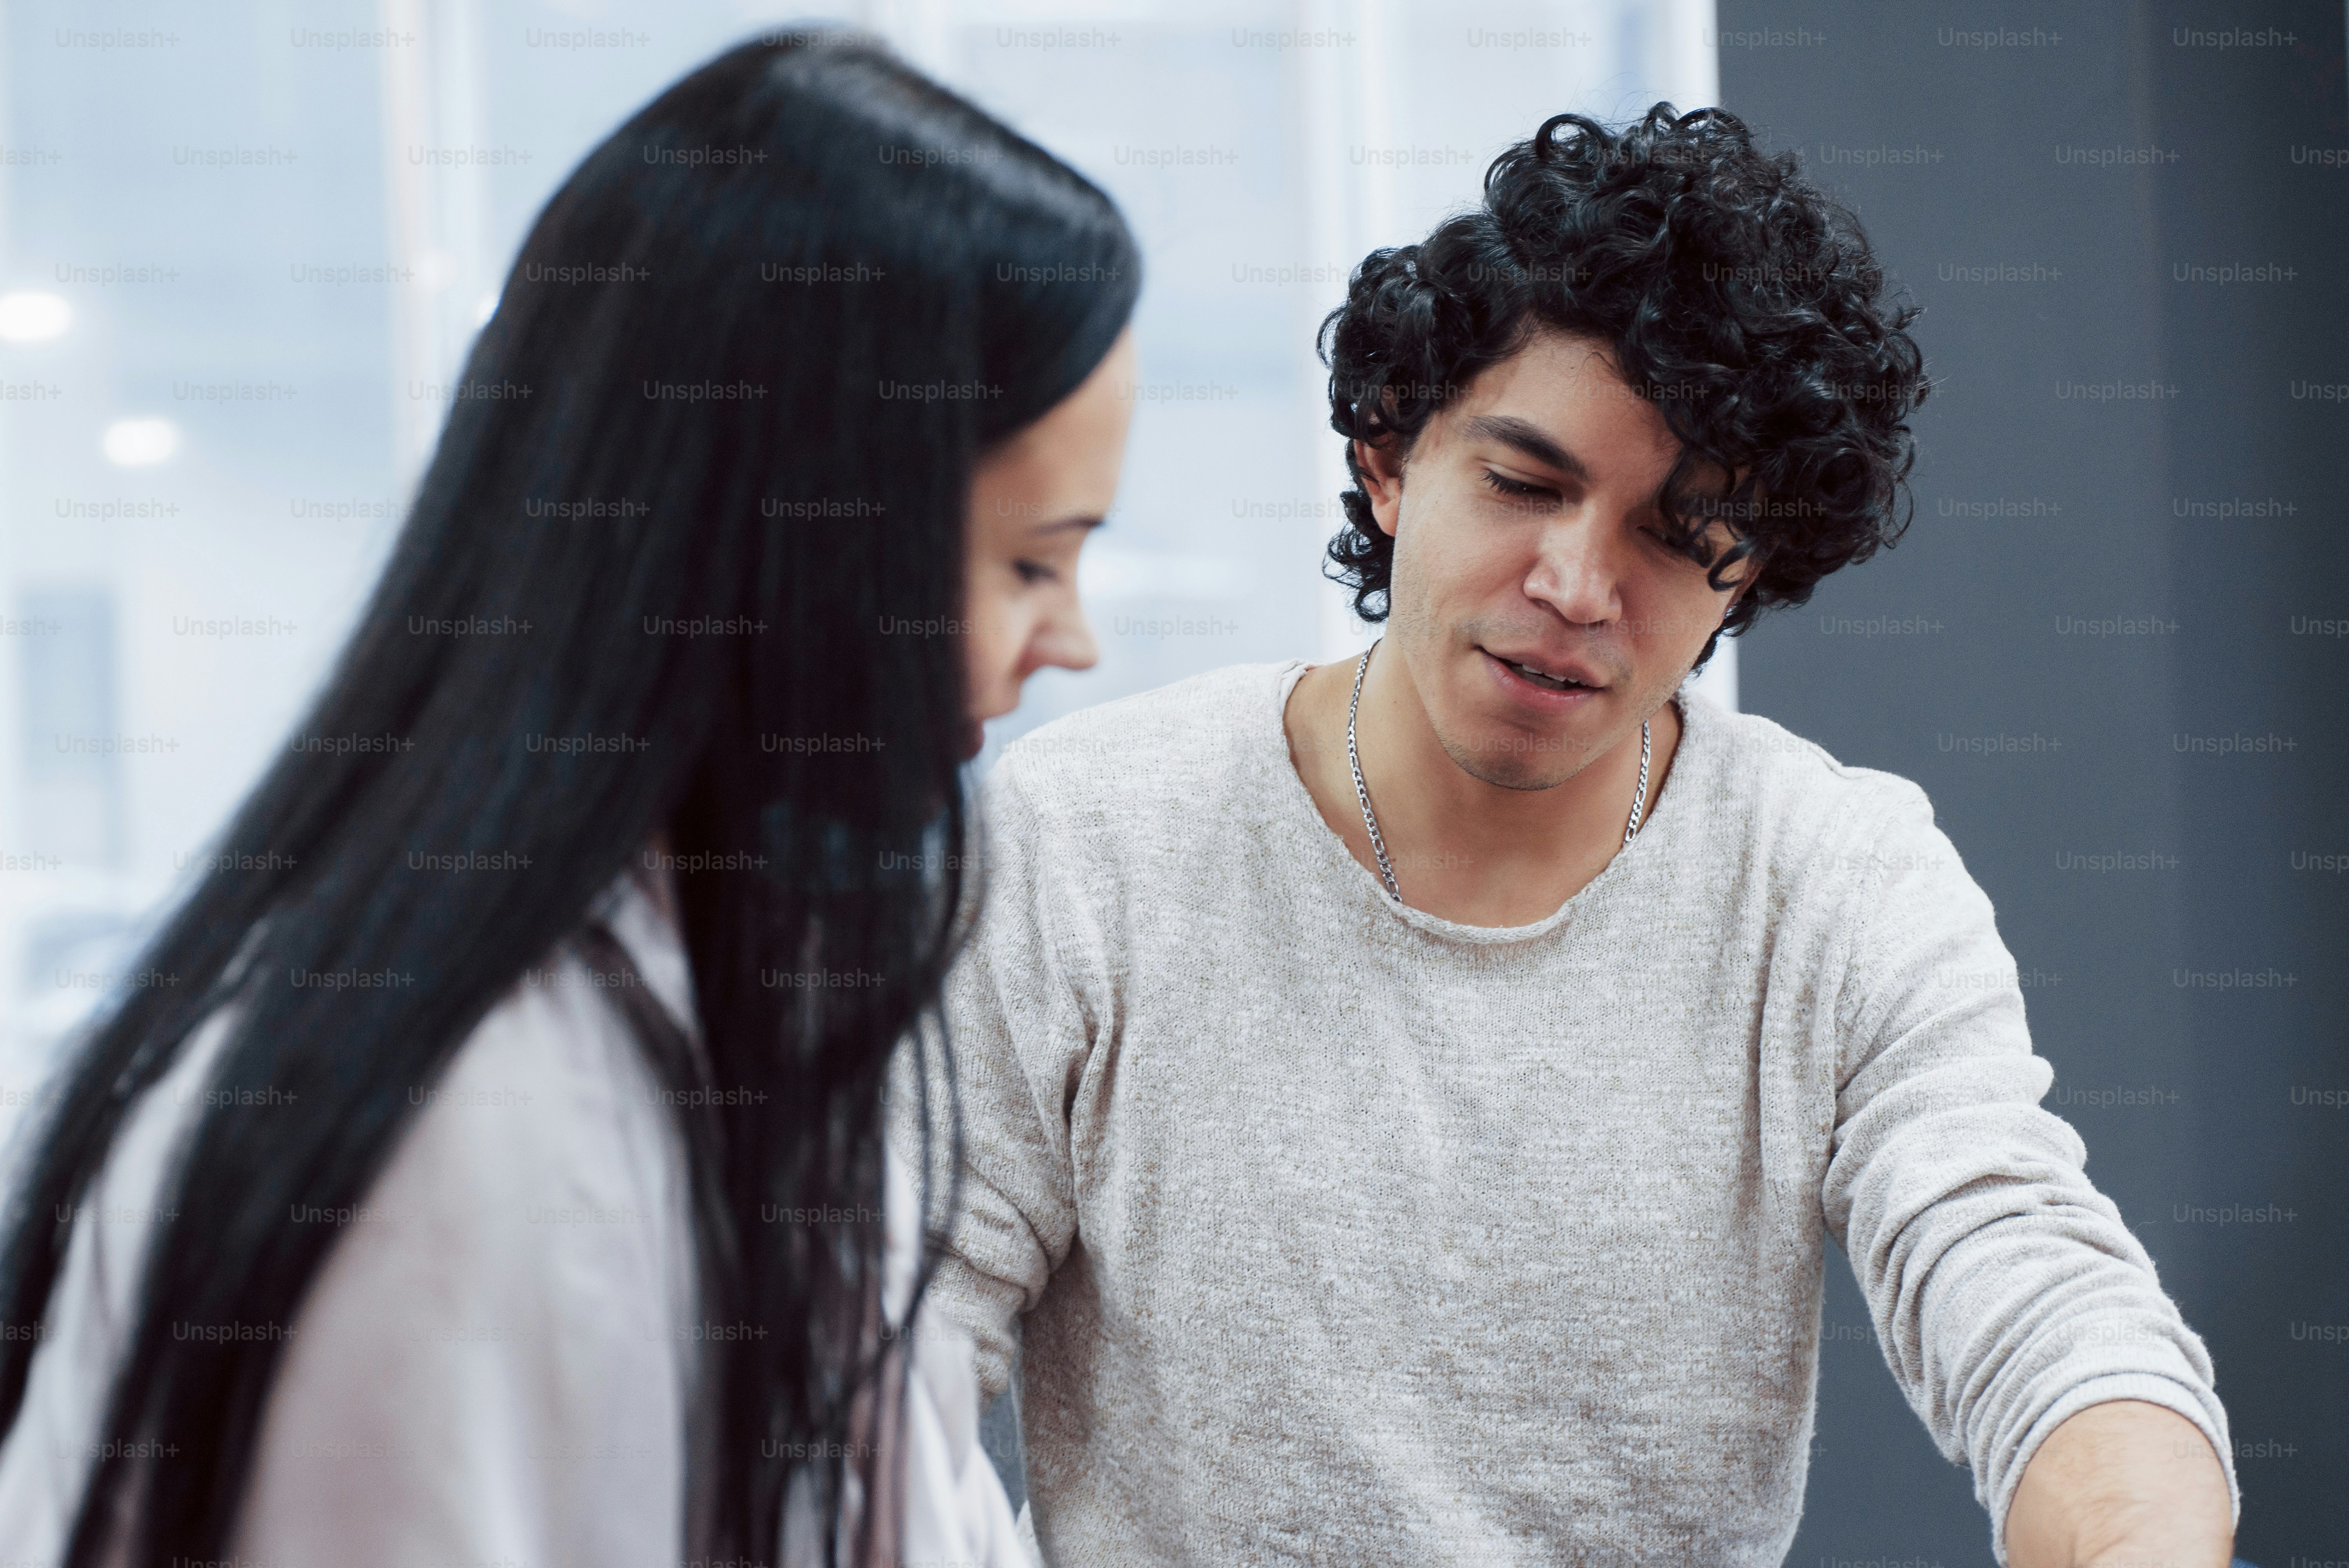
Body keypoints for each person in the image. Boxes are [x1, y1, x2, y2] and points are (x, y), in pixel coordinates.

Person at [893, 107, 2238, 1567]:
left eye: (1677, 533)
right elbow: (881, 1357)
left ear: (1751, 573)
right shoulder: (1089, 840)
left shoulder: (1837, 885)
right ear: (1390, 458)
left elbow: (2030, 1282)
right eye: (1525, 484)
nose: (1578, 583)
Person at [0, 33, 1135, 1568]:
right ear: (794, 533)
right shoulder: (462, 1143)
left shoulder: (739, 1000)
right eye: (1026, 562)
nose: (1072, 639)